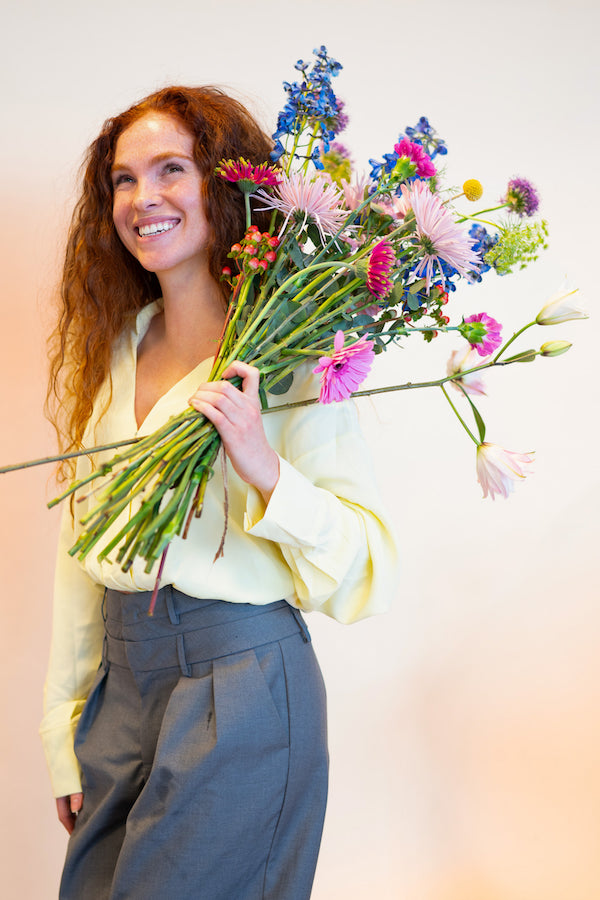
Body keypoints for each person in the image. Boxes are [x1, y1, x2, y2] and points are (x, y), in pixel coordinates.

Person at [40, 85, 398, 900]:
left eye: (172, 169)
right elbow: (81, 549)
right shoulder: (120, 346)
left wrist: (263, 466)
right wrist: (63, 726)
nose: (142, 199)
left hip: (238, 683)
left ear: (227, 186)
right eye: (124, 180)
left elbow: (369, 566)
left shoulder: (295, 359)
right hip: (120, 689)